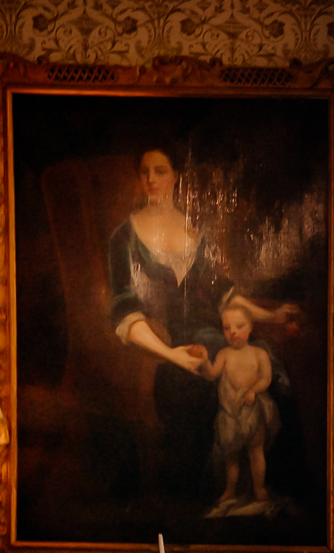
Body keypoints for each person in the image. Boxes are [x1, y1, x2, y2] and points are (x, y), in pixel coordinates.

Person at [107, 146, 298, 493]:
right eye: (145, 171)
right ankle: (212, 492)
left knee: (264, 358)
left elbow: (223, 294)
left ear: (175, 176)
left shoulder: (193, 230)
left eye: (160, 170)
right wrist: (172, 354)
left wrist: (271, 315)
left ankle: (269, 486)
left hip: (204, 335)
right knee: (201, 374)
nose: (151, 178)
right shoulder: (124, 237)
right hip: (157, 346)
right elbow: (126, 315)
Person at [197, 304, 281, 517]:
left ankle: (258, 488)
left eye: (239, 326)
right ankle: (230, 490)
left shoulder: (259, 353)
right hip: (230, 414)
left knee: (255, 451)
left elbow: (266, 378)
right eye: (227, 328)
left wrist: (253, 390)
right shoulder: (224, 354)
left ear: (250, 327)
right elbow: (212, 374)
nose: (232, 331)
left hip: (253, 411)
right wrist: (205, 361)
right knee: (231, 455)